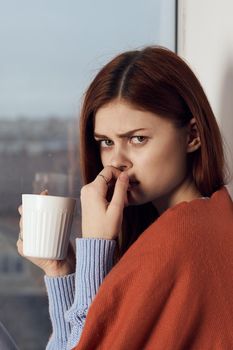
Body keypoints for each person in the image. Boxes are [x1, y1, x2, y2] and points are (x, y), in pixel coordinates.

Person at [17, 46, 233, 349]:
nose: (116, 161)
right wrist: (61, 271)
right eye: (106, 142)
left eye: (138, 139)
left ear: (192, 136)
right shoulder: (206, 220)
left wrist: (95, 249)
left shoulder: (178, 242)